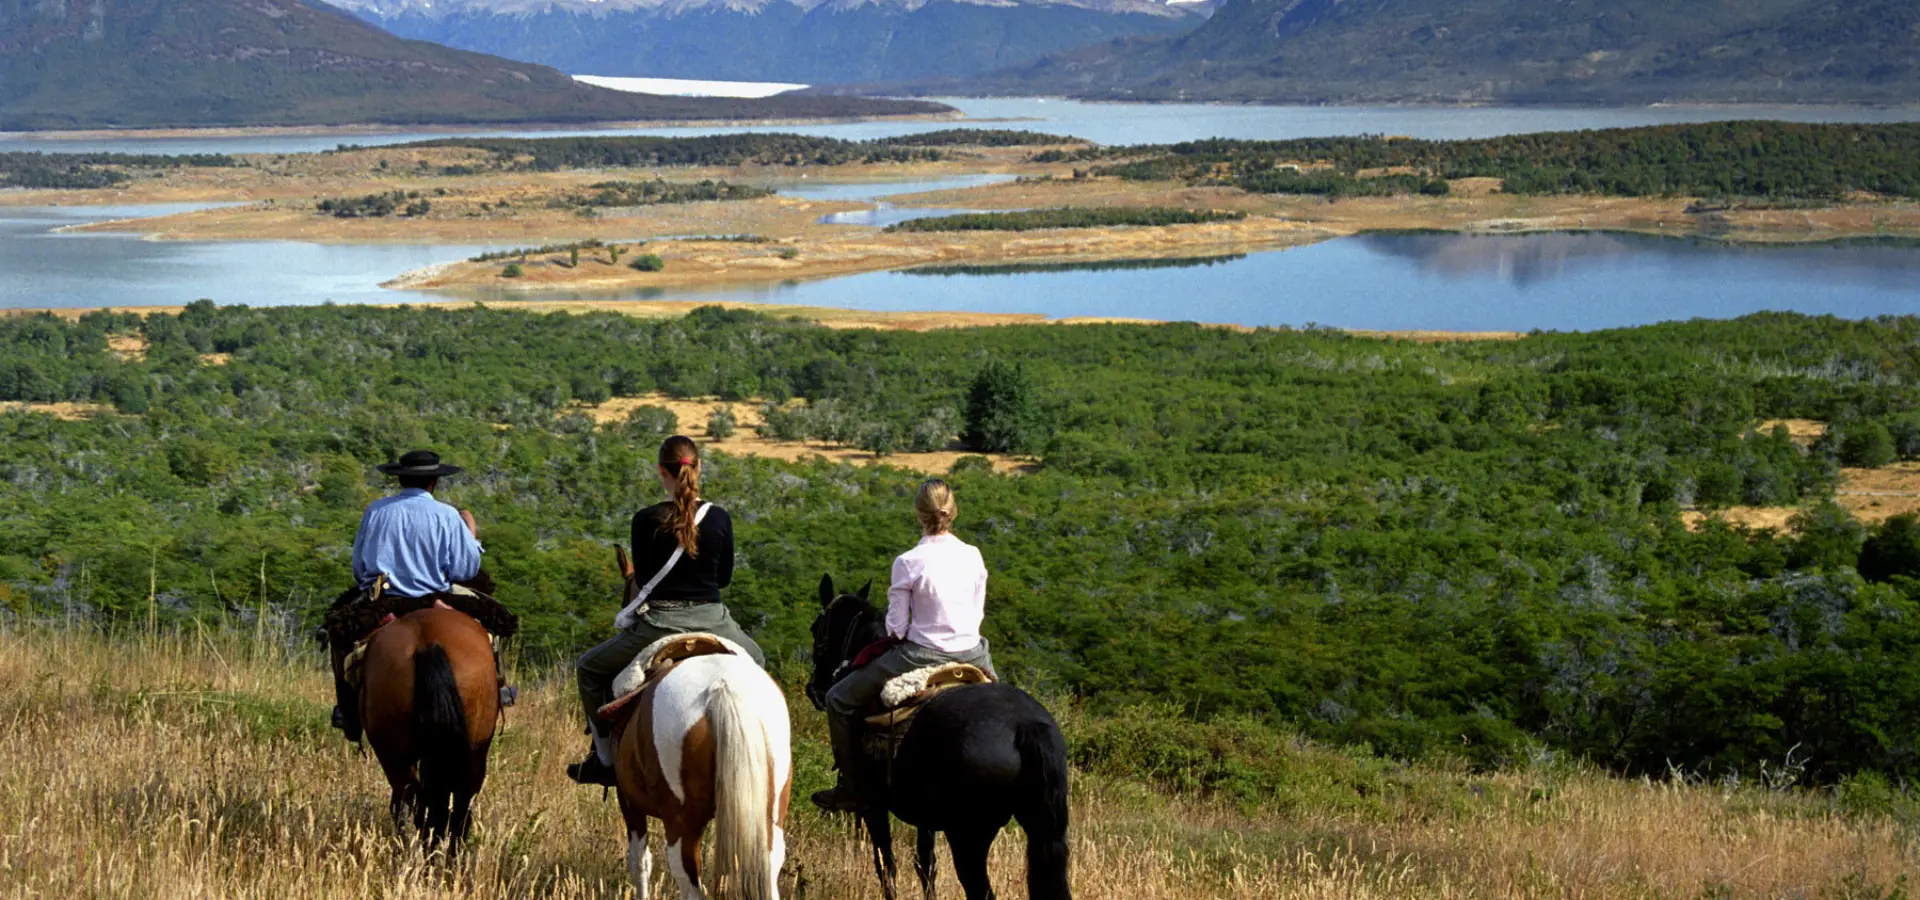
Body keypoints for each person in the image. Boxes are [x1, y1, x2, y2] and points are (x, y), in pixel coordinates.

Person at [568, 435, 767, 787]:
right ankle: (764, 752)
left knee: (588, 669)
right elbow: (723, 578)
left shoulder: (645, 520)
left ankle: (603, 757)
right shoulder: (719, 518)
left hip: (660, 622)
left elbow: (643, 578)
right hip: (714, 620)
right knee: (759, 663)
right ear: (698, 466)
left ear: (661, 471)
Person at [812, 478, 997, 813]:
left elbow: (895, 629)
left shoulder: (908, 561)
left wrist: (915, 629)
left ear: (918, 514)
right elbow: (977, 613)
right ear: (953, 512)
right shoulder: (973, 555)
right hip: (974, 652)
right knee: (1004, 702)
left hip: (919, 655)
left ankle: (852, 787)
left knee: (837, 700)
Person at [325, 449, 516, 741]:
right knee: (494, 621)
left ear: (400, 479)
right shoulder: (448, 515)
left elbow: (360, 566)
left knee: (339, 633)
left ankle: (348, 710)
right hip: (437, 596)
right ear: (434, 483)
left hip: (385, 598)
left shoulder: (376, 511)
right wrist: (472, 538)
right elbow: (466, 568)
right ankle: (497, 687)